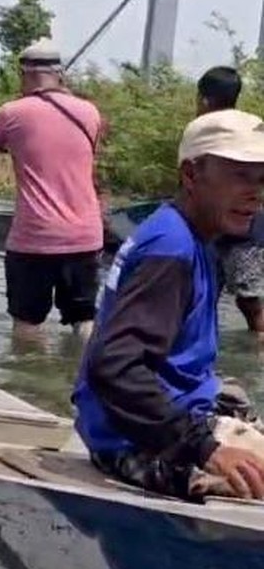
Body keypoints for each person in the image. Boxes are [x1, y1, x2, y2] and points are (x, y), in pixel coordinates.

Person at [73, 109, 264, 502]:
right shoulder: (171, 248)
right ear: (191, 175)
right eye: (240, 175)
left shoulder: (194, 236)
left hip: (174, 421)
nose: (254, 192)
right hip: (134, 442)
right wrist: (206, 449)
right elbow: (114, 367)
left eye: (261, 179)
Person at [0, 39, 104, 344]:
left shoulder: (11, 112)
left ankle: (29, 374)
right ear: (60, 74)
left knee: (27, 323)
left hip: (34, 239)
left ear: (23, 74)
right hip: (85, 237)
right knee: (84, 319)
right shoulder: (90, 112)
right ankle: (84, 369)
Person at [195, 67, 264, 334]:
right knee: (244, 301)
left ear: (204, 99)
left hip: (234, 232)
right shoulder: (250, 127)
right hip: (244, 227)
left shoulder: (203, 132)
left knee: (248, 303)